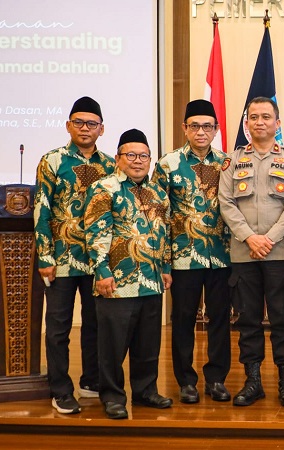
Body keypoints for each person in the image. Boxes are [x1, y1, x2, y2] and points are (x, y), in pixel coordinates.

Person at [218, 97, 284, 407]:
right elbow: (225, 202)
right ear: (247, 123)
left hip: (280, 253)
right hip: (244, 254)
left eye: (266, 117)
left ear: (277, 124)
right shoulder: (232, 160)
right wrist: (250, 238)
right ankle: (253, 381)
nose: (260, 122)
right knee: (248, 320)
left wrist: (268, 238)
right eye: (253, 117)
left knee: (282, 320)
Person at [85, 129, 174, 420]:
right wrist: (102, 271)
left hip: (150, 281)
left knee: (148, 344)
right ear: (119, 157)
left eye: (144, 156)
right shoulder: (104, 188)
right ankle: (111, 396)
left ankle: (145, 391)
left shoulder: (158, 192)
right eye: (131, 155)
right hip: (116, 282)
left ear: (150, 160)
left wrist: (166, 268)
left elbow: (166, 233)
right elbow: (97, 232)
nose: (138, 161)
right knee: (112, 345)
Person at [34, 96, 115, 414]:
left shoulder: (110, 165)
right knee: (58, 327)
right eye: (79, 122)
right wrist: (45, 257)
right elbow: (41, 211)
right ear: (68, 125)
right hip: (62, 259)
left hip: (97, 261)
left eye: (91, 123)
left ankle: (91, 381)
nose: (85, 128)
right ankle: (60, 388)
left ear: (101, 129)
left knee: (97, 324)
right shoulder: (52, 161)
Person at [153, 100, 232, 404]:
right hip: (182, 257)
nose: (201, 131)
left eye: (208, 126)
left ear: (216, 129)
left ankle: (216, 379)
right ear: (185, 128)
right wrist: (163, 261)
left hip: (221, 255)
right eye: (195, 125)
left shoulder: (228, 163)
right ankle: (186, 381)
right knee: (183, 320)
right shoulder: (167, 164)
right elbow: (156, 215)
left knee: (221, 319)